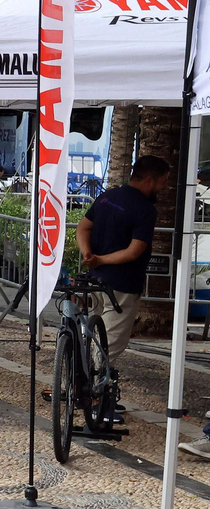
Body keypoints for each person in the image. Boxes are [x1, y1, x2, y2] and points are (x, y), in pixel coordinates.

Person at [80, 155, 170, 367]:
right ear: (149, 180)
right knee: (108, 345)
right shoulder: (145, 210)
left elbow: (83, 227)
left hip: (94, 281)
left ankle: (74, 383)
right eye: (163, 181)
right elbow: (134, 251)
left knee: (89, 336)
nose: (164, 187)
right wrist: (100, 260)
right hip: (123, 286)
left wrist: (88, 255)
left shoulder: (106, 196)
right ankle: (92, 393)